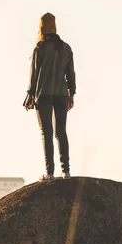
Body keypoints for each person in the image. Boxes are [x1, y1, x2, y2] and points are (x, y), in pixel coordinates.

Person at [23, 13, 76, 182]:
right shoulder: (66, 48)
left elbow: (34, 75)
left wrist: (30, 95)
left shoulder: (40, 48)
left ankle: (50, 173)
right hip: (61, 94)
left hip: (43, 94)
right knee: (61, 132)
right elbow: (71, 74)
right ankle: (66, 172)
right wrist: (71, 94)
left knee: (46, 133)